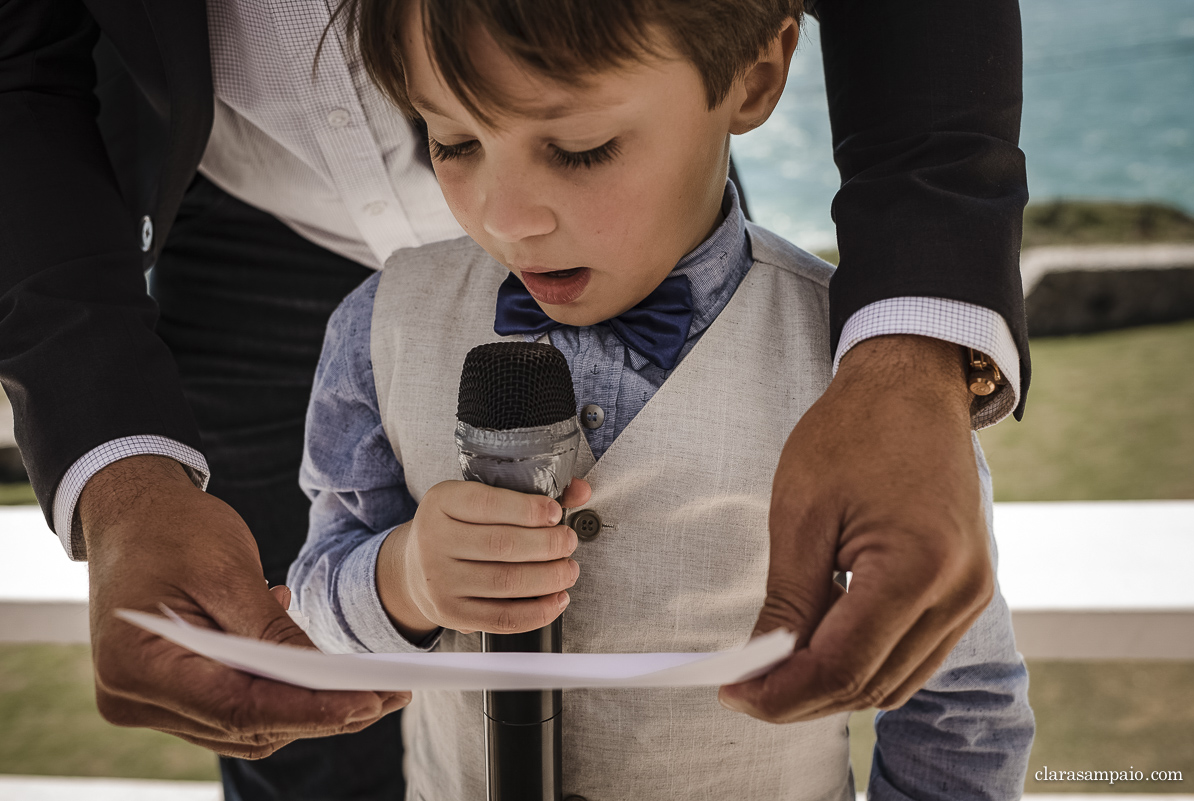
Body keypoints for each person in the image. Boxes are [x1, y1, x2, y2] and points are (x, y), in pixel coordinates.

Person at [0, 0, 1029, 799]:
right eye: (446, 141)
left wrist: (913, 347)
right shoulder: (370, 330)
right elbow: (315, 597)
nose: (506, 218)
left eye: (580, 149)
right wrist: (402, 579)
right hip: (242, 225)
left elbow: (960, 701)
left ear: (756, 74)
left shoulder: (831, 359)